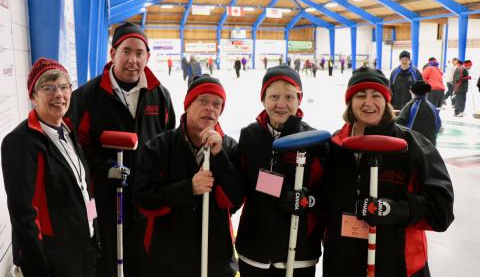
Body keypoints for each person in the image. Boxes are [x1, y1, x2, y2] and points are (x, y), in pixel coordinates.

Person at [68, 22, 176, 277]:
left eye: (139, 53)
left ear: (147, 57)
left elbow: (169, 140)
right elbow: (76, 148)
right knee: (108, 259)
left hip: (146, 197)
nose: (132, 60)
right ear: (113, 53)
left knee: (143, 260)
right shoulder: (87, 96)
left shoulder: (159, 95)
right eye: (126, 51)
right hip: (105, 198)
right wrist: (104, 169)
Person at [324, 67, 454, 277]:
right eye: (360, 95)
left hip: (398, 266)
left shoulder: (413, 146)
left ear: (386, 101)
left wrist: (394, 209)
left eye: (376, 95)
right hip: (342, 264)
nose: (368, 102)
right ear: (349, 102)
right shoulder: (333, 146)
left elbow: (442, 212)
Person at [133, 75, 242, 277]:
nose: (210, 108)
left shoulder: (229, 147)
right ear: (187, 105)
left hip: (215, 260)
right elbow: (143, 198)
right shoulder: (159, 146)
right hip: (167, 260)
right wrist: (188, 189)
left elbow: (235, 200)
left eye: (217, 104)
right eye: (203, 101)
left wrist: (219, 157)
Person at [2, 58, 97, 277]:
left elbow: (85, 188)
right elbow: (23, 215)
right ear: (33, 96)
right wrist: (38, 266)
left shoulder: (67, 129)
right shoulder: (20, 143)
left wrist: (95, 231)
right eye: (48, 88)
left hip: (84, 247)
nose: (59, 95)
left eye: (64, 87)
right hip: (54, 259)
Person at [235, 65, 328, 277]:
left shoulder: (314, 140)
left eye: (289, 97)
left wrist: (307, 200)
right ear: (263, 99)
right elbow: (247, 181)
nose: (281, 104)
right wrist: (279, 190)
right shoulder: (250, 135)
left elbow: (326, 193)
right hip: (254, 250)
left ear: (299, 100)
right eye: (274, 96)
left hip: (298, 253)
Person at [397, 80, 441, 146]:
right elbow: (438, 125)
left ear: (412, 91)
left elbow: (399, 123)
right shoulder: (432, 106)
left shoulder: (410, 105)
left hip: (414, 144)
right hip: (430, 145)